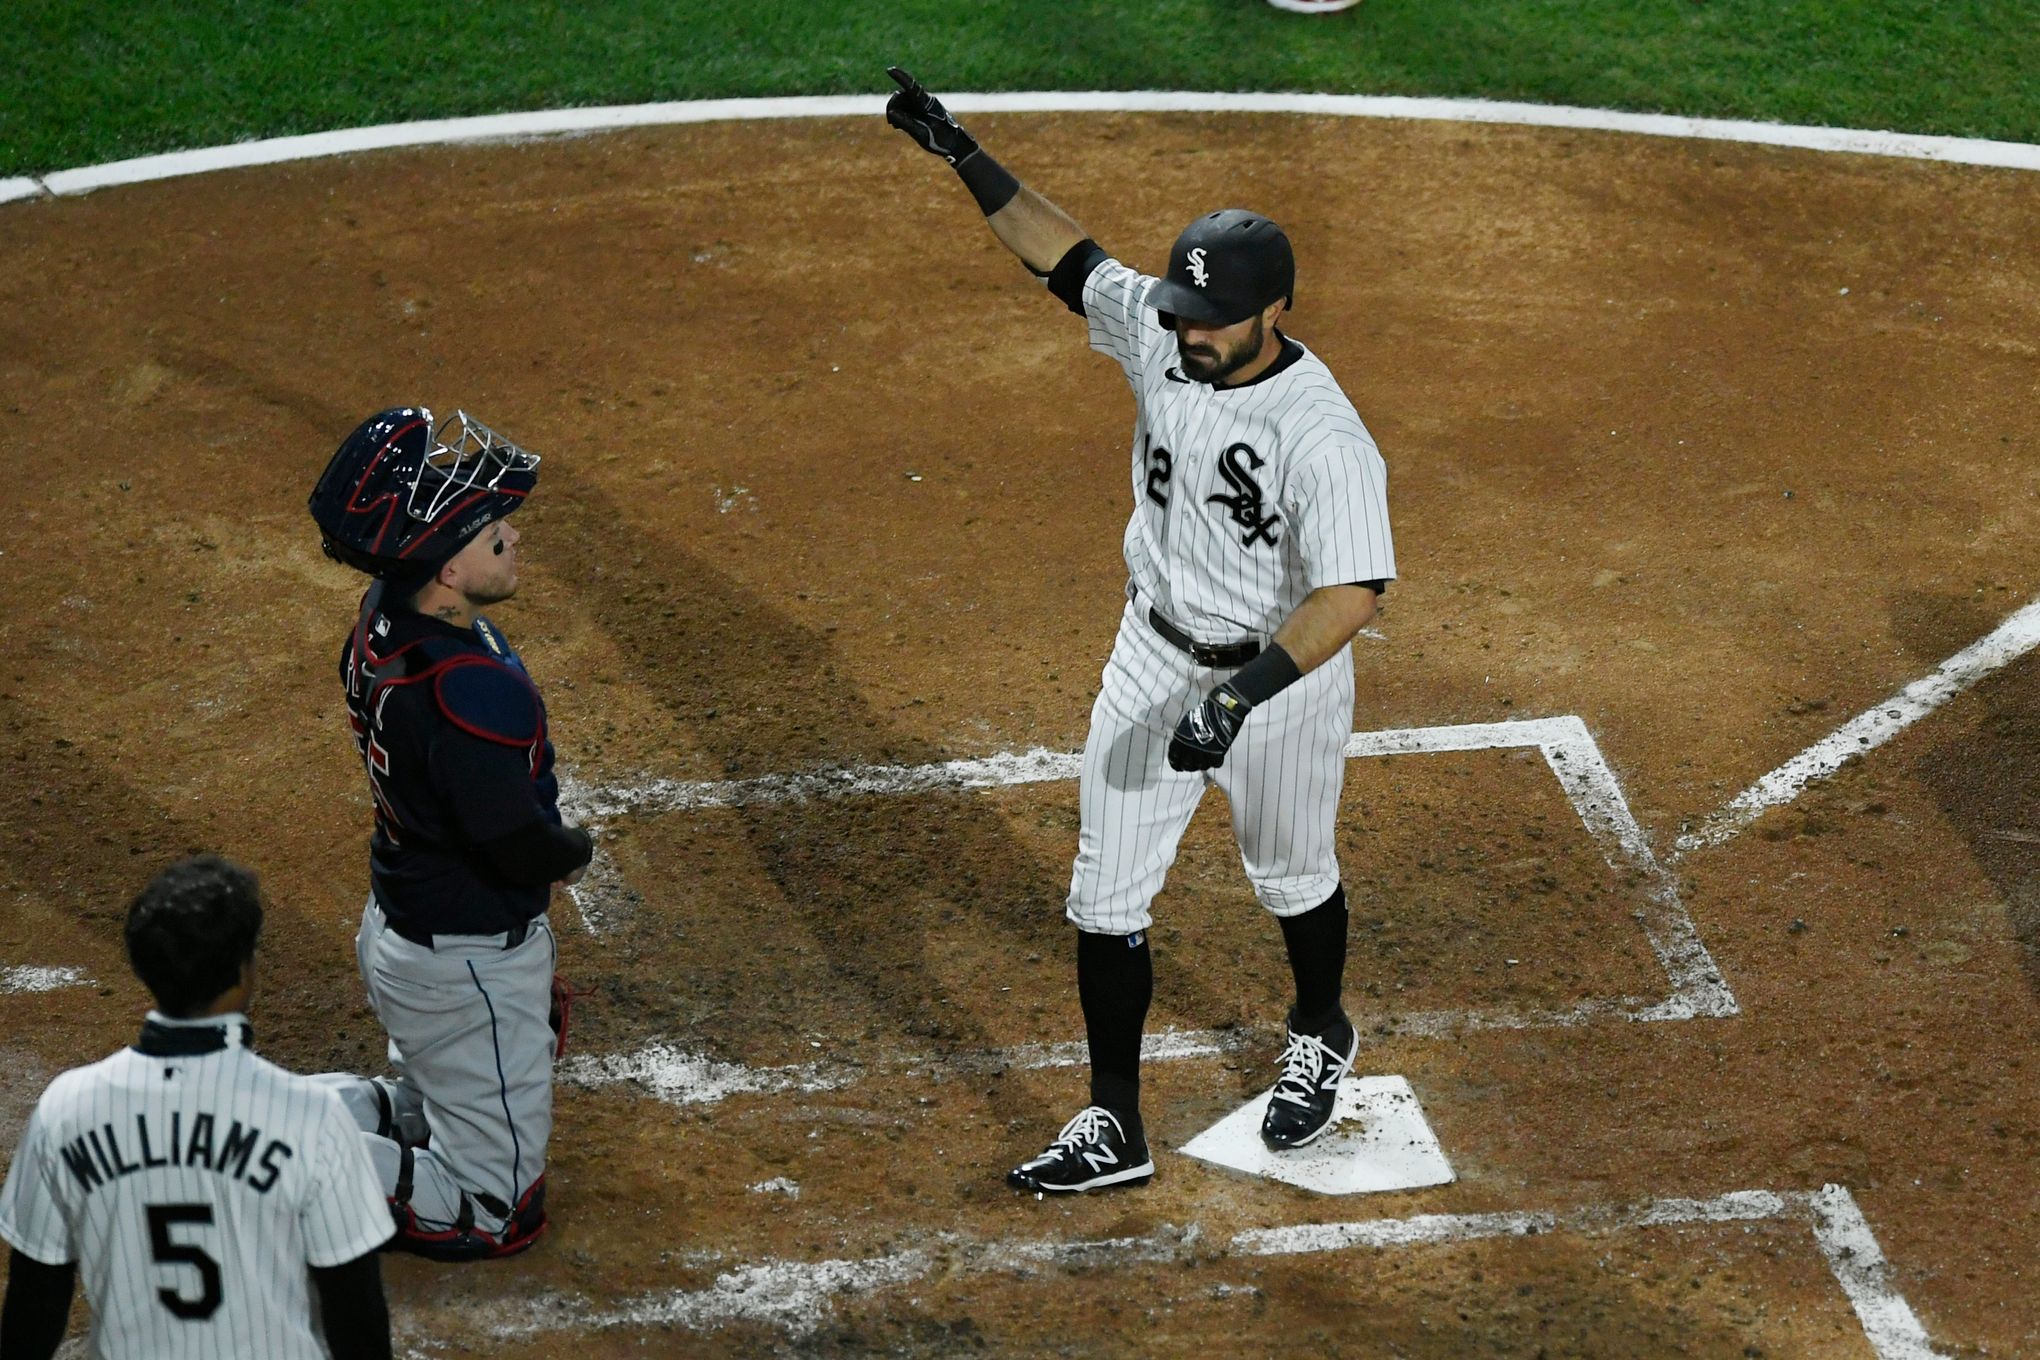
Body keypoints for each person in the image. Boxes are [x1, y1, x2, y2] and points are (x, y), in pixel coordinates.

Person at [885, 69, 1397, 1192]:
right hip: (1152, 652)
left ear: (1277, 314)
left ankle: (1322, 1026)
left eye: (1215, 321)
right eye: (1185, 311)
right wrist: (962, 152)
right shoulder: (1163, 328)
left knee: (1290, 873)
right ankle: (1114, 1121)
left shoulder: (1325, 438)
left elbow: (1352, 591)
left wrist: (1241, 695)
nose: (1191, 333)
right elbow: (1068, 260)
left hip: (1279, 683)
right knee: (1103, 892)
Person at [305, 406, 592, 1259]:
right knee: (495, 1208)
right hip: (463, 956)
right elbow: (514, 842)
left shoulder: (386, 615)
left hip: (411, 926)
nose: (511, 536)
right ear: (448, 571)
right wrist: (568, 852)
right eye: (489, 531)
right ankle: (272, 1157)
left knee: (433, 1101)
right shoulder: (468, 692)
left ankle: (277, 1114)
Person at [0, 856, 394, 1359]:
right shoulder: (311, 1118)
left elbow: (35, 1307)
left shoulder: (66, 1111)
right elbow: (354, 1311)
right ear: (244, 975)